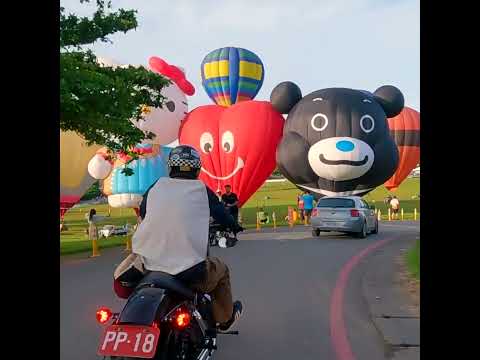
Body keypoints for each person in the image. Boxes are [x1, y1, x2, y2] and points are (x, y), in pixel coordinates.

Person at [130, 145, 243, 331]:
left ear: (170, 167)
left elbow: (143, 210)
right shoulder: (201, 189)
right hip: (189, 271)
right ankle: (224, 319)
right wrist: (234, 226)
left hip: (148, 265)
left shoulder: (156, 186)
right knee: (222, 270)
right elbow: (222, 214)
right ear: (197, 169)